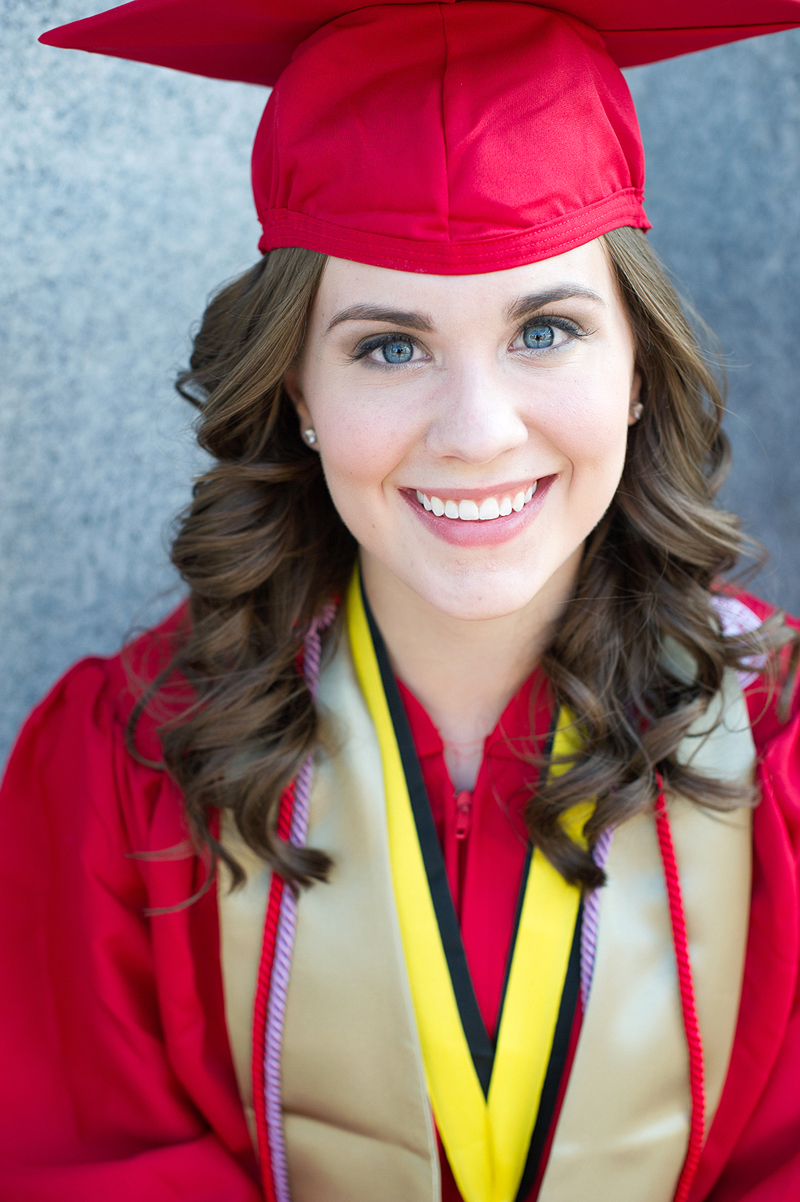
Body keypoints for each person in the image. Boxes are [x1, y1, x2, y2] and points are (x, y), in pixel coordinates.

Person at [3, 2, 800, 1200]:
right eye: (388, 346)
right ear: (297, 388)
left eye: (545, 328)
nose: (476, 433)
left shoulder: (780, 747)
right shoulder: (126, 770)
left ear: (638, 366)